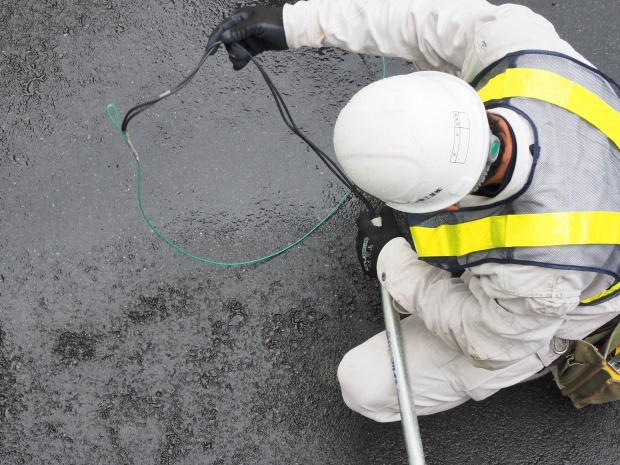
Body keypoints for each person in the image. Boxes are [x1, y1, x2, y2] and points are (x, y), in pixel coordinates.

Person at [208, 0, 620, 420]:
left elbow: (489, 341)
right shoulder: (513, 41)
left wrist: (394, 262)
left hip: (557, 303)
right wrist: (296, 22)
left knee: (365, 384)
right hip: (591, 171)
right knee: (437, 44)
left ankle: (564, 343)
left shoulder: (539, 277)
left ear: (449, 204)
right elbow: (421, 18)